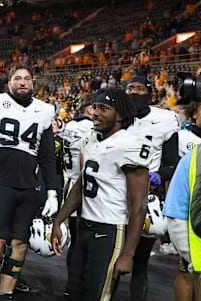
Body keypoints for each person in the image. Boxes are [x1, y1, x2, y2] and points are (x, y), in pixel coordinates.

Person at [51, 88, 151, 301]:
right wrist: (59, 220)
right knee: (74, 291)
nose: (95, 112)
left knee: (97, 296)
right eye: (95, 107)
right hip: (83, 227)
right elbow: (80, 187)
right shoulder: (90, 140)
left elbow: (139, 205)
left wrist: (128, 253)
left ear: (120, 115)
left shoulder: (130, 145)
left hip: (110, 231)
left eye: (103, 108)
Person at [0, 65, 60, 301]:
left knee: (20, 244)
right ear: (9, 82)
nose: (22, 82)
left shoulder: (44, 110)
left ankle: (6, 294)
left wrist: (52, 192)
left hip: (27, 186)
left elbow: (46, 156)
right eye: (17, 78)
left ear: (33, 83)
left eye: (27, 79)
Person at [124, 74, 179, 301]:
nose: (134, 92)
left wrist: (157, 175)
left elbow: (171, 164)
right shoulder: (116, 115)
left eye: (139, 88)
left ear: (149, 92)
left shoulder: (165, 120)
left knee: (139, 262)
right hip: (114, 195)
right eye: (130, 88)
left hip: (146, 197)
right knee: (111, 257)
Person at [164, 101, 201, 301]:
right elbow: (168, 172)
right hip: (194, 222)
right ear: (193, 114)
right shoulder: (184, 142)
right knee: (186, 273)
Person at [60, 93, 95, 298]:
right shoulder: (87, 127)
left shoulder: (70, 126)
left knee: (75, 241)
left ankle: (70, 286)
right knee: (85, 242)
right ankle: (79, 285)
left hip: (70, 182)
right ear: (90, 110)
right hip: (85, 188)